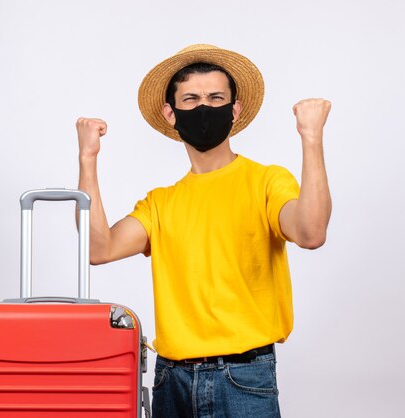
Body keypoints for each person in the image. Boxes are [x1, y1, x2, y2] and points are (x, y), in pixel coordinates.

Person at [76, 44, 331, 417]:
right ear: (171, 113)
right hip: (171, 380)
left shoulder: (266, 181)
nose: (204, 108)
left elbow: (310, 233)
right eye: (191, 99)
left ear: (235, 108)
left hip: (243, 378)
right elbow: (99, 249)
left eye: (216, 97)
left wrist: (311, 139)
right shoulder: (160, 202)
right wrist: (88, 159)